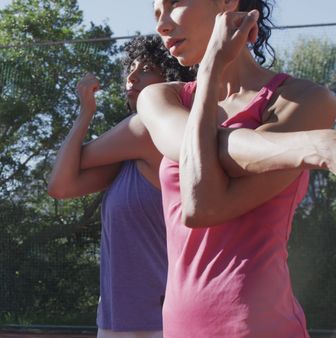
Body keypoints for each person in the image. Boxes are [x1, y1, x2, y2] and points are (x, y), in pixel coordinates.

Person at [138, 0, 336, 336]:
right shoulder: (158, 98)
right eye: (157, 14)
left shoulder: (304, 99)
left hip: (261, 326)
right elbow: (194, 167)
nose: (162, 25)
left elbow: (204, 203)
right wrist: (312, 145)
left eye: (175, 4)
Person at [48, 35, 194, 338]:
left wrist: (85, 112)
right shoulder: (127, 154)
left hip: (159, 321)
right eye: (131, 68)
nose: (131, 77)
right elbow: (60, 186)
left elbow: (66, 167)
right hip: (118, 318)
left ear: (171, 78)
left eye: (146, 70)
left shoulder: (143, 130)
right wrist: (85, 114)